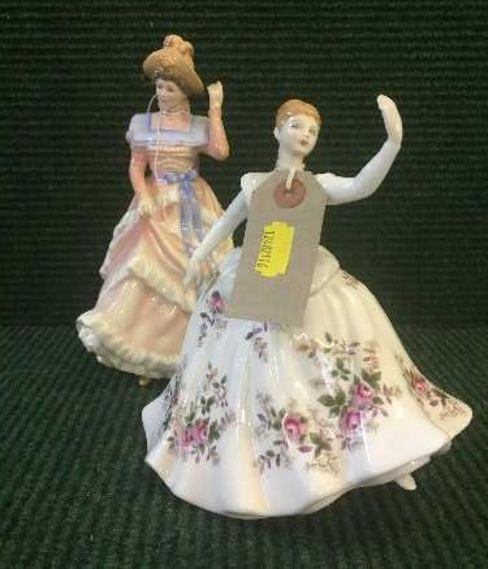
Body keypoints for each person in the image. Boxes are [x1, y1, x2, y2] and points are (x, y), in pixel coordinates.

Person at [142, 95, 471, 517]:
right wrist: (197, 259)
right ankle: (249, 464)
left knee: (348, 363)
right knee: (245, 363)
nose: (305, 135)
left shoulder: (319, 185)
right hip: (256, 279)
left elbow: (360, 186)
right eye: (296, 126)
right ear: (277, 131)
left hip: (307, 279)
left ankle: (385, 453)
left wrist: (391, 144)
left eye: (313, 131)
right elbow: (227, 222)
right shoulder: (255, 184)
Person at [77, 35, 232, 385]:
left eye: (170, 89)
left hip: (191, 202)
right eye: (159, 87)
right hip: (157, 203)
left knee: (198, 268)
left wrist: (216, 109)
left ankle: (191, 351)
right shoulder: (143, 124)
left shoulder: (197, 125)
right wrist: (143, 194)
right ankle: (146, 354)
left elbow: (220, 152)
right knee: (145, 271)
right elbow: (136, 166)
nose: (162, 93)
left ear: (184, 93)